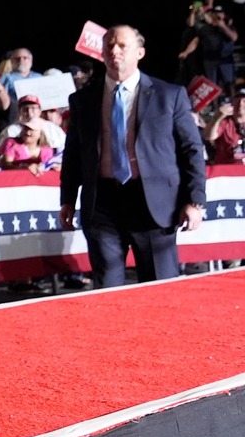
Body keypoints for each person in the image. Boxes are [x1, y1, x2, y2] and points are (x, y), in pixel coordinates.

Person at [59, 25, 206, 286]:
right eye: (109, 46)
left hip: (154, 204)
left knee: (159, 286)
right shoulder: (83, 100)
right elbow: (73, 154)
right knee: (107, 288)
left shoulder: (169, 95)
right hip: (102, 203)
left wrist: (195, 202)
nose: (114, 50)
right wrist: (68, 200)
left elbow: (191, 150)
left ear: (140, 52)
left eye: (122, 46)